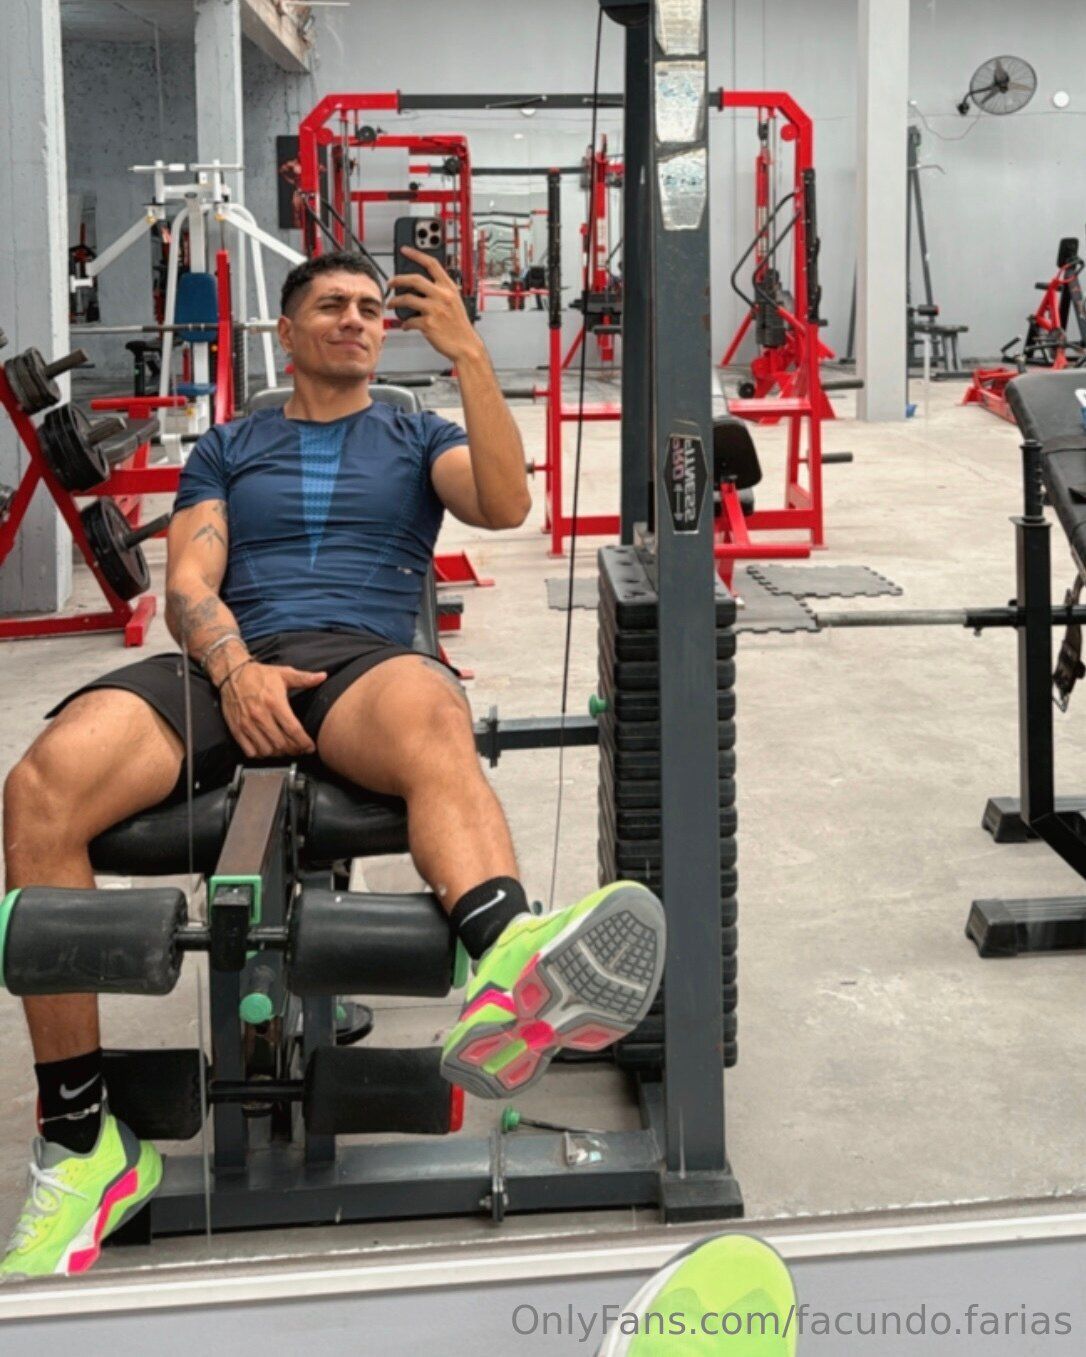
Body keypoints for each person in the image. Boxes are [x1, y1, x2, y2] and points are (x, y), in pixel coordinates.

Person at [0, 247, 665, 1277]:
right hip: (230, 659)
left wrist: (470, 356)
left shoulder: (418, 432)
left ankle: (506, 961)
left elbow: (504, 504)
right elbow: (190, 584)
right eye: (333, 306)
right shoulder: (230, 445)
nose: (357, 320)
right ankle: (83, 1140)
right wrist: (233, 668)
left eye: (370, 308)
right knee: (41, 785)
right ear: (289, 329)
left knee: (433, 714)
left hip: (363, 662)